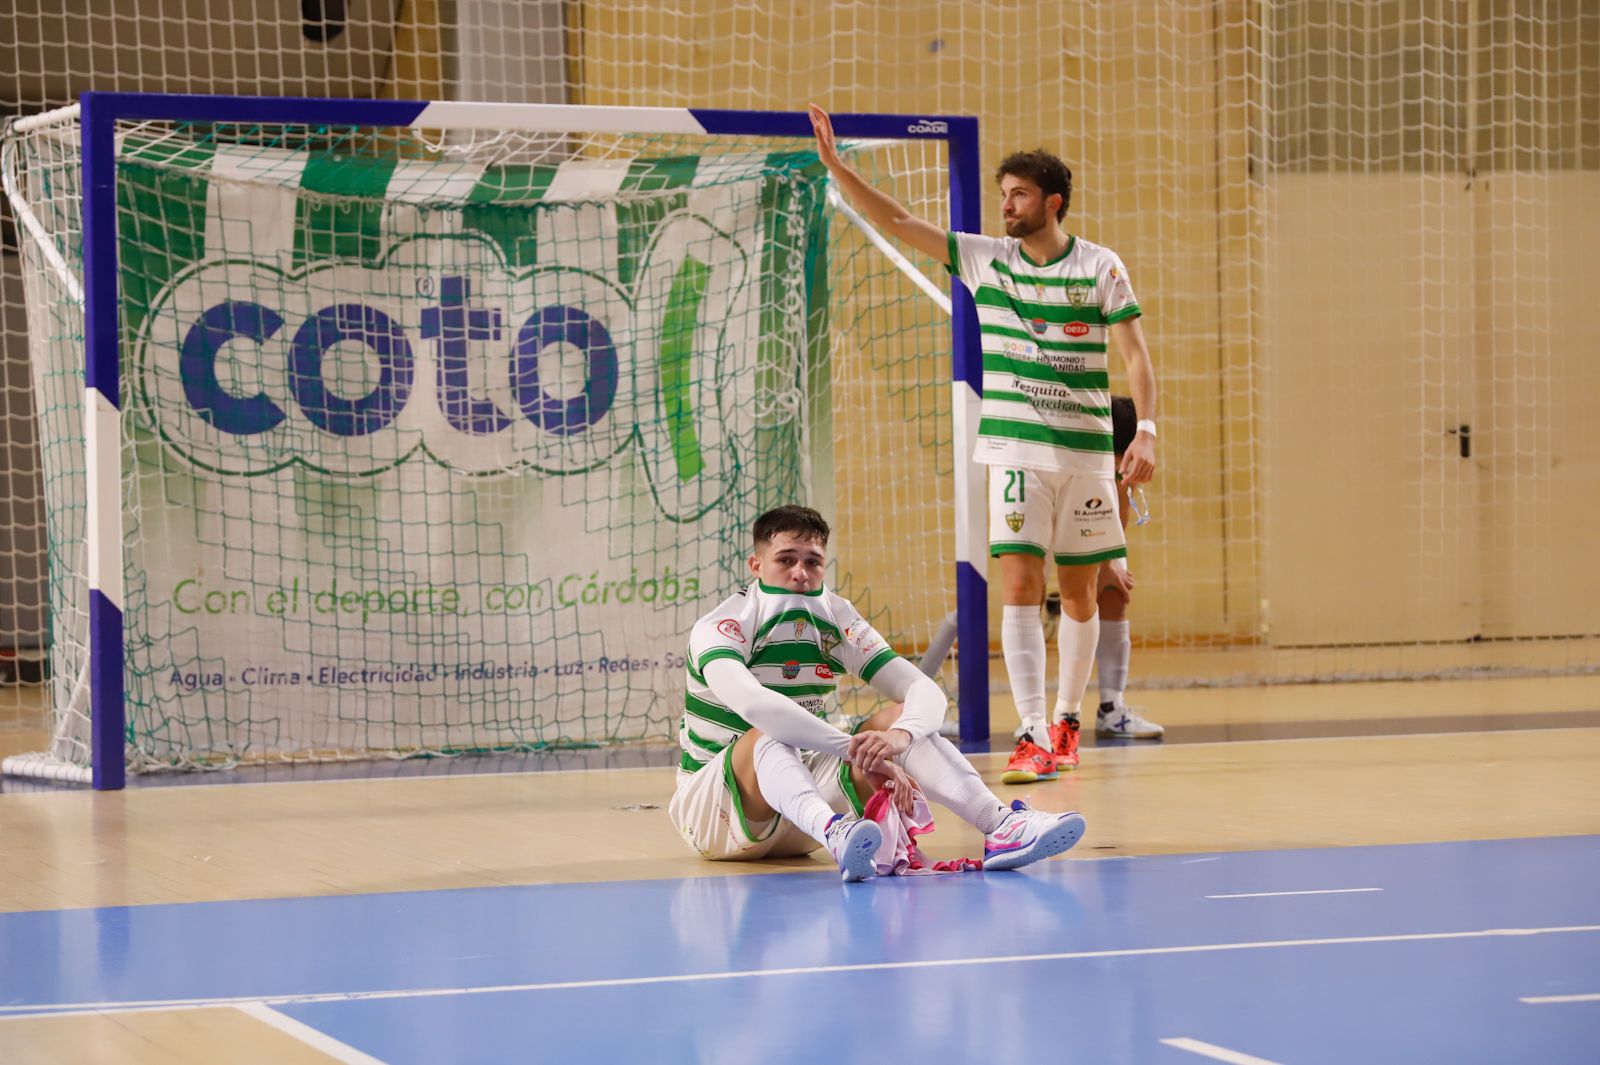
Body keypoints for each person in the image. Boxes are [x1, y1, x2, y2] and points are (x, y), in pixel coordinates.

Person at [808, 105, 1160, 784]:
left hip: (1086, 454)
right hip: (1015, 454)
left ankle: (1066, 719)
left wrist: (1145, 428)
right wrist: (837, 168)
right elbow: (899, 223)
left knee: (1081, 594)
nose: (1007, 205)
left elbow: (1137, 356)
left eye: (1020, 194)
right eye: (1003, 194)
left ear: (1052, 202)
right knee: (1021, 585)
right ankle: (1030, 730)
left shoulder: (1099, 266)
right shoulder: (984, 258)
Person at [668, 505, 1085, 881]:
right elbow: (756, 705)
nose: (801, 572)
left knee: (896, 722)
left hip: (804, 820)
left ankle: (1000, 825)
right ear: (756, 565)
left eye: (813, 562)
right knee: (771, 732)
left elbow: (924, 690)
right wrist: (853, 748)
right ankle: (834, 830)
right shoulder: (723, 624)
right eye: (786, 560)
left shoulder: (836, 614)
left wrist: (898, 738)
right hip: (715, 814)